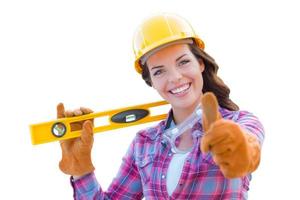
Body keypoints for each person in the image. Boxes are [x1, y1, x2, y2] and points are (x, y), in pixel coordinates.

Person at [57, 13, 264, 199]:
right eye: (159, 71)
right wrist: (81, 169)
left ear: (200, 63)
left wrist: (234, 146)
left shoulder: (240, 122)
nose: (175, 77)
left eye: (183, 62)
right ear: (151, 82)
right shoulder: (144, 144)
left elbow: (248, 147)